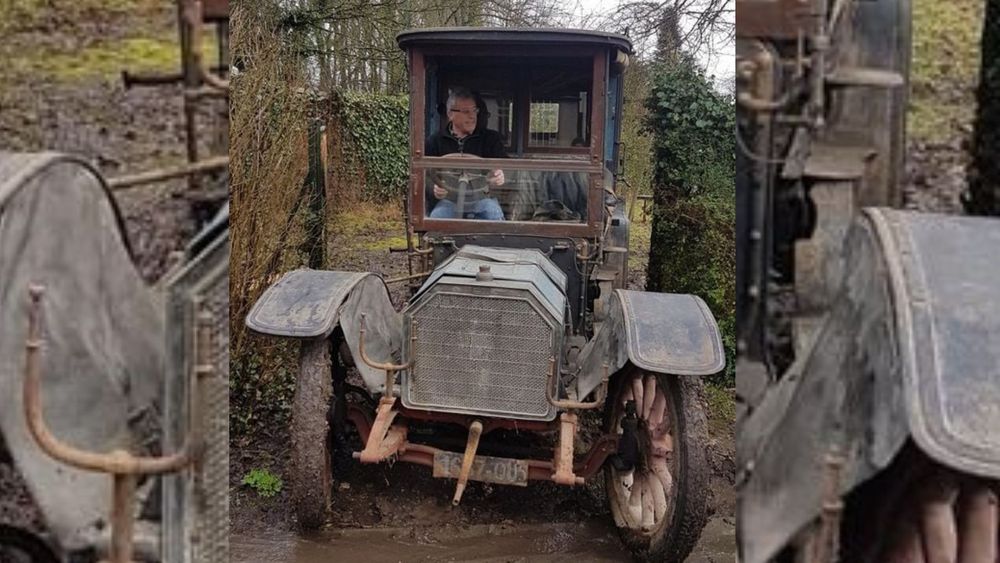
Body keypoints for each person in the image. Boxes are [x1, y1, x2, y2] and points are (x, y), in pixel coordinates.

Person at [425, 87, 506, 220]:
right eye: (466, 111)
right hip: (449, 201)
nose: (472, 116)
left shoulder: (491, 139)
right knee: (437, 218)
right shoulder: (435, 141)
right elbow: (423, 175)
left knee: (494, 215)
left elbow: (506, 166)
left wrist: (501, 174)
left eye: (474, 110)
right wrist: (433, 188)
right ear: (451, 114)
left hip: (482, 199)